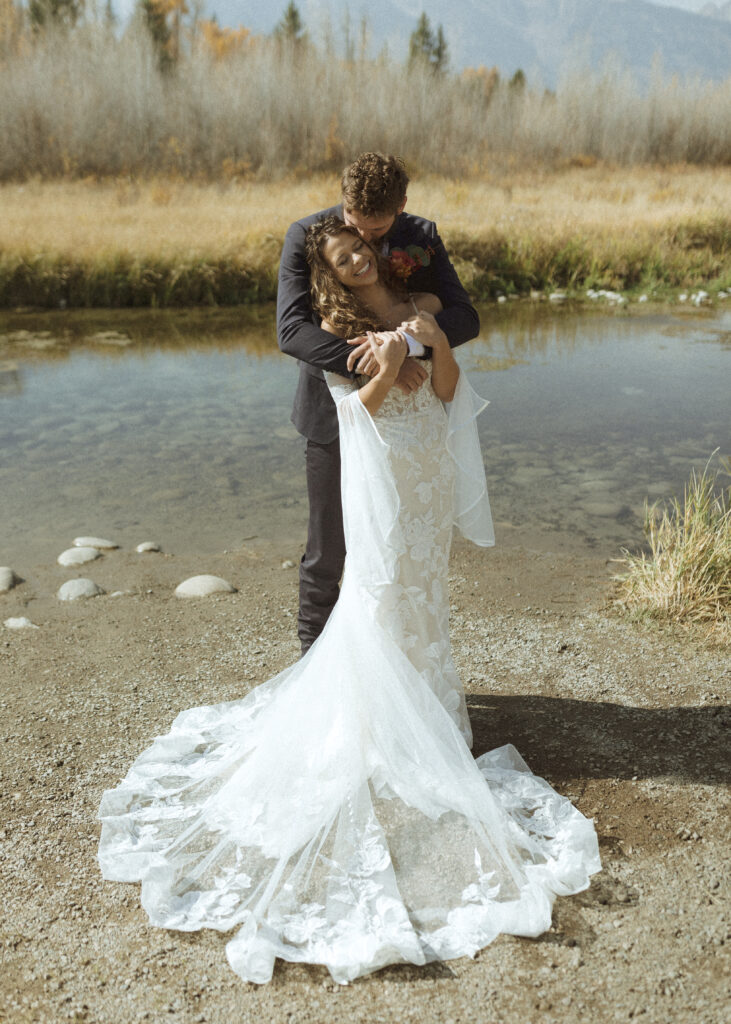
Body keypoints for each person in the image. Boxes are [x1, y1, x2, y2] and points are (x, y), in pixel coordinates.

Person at [97, 215, 601, 988]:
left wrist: (425, 341)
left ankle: (428, 712)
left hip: (426, 459)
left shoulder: (413, 297)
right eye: (344, 253)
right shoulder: (334, 322)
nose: (360, 254)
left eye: (362, 246)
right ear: (330, 266)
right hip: (379, 463)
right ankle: (370, 719)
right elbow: (352, 407)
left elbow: (447, 387)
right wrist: (386, 359)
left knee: (424, 588)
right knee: (372, 580)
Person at [277, 152, 480, 654]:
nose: (363, 241)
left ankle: (396, 660)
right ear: (343, 200)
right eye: (353, 224)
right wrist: (373, 359)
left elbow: (464, 316)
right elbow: (291, 330)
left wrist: (410, 346)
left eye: (376, 228)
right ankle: (313, 660)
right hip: (336, 414)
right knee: (329, 547)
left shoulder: (423, 236)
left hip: (409, 426)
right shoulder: (307, 236)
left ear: (402, 208)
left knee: (399, 547)